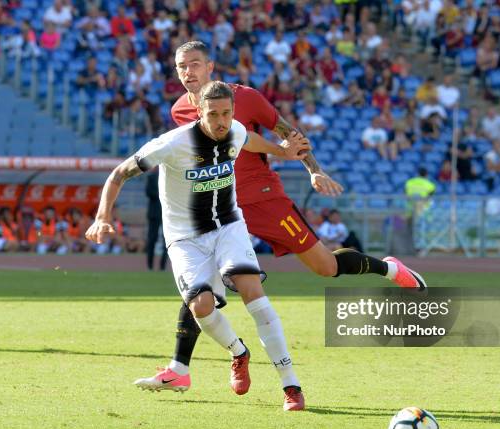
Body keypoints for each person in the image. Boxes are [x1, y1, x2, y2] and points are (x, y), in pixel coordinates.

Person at [138, 41, 427, 394]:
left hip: (263, 199)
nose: (188, 72)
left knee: (325, 266)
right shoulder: (180, 110)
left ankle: (390, 269)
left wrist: (313, 171)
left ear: (210, 66)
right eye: (182, 66)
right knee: (201, 288)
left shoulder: (247, 98)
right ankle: (179, 369)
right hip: (216, 209)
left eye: (195, 64)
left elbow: (289, 134)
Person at [86, 81, 310, 410]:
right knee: (201, 306)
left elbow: (249, 140)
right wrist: (102, 216)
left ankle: (291, 386)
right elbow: (119, 173)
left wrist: (283, 152)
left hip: (228, 226)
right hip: (185, 238)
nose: (221, 121)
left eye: (226, 113)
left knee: (252, 292)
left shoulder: (233, 129)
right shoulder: (174, 143)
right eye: (213, 114)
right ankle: (239, 352)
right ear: (199, 113)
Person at [145, 168, 167, 271]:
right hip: (155, 213)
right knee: (151, 240)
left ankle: (162, 266)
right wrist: (162, 193)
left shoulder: (169, 176)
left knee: (167, 240)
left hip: (166, 213)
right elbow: (148, 192)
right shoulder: (151, 176)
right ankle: (150, 266)